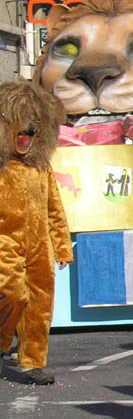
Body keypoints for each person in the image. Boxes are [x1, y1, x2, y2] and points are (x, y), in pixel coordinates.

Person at [0, 80, 74, 385]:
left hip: (39, 247)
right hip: (4, 243)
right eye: (20, 131)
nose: (26, 137)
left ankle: (32, 363)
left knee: (40, 305)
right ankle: (2, 343)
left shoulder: (42, 169)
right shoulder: (2, 170)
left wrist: (63, 247)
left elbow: (55, 209)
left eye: (31, 132)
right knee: (12, 295)